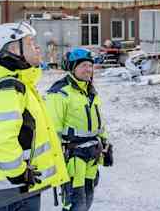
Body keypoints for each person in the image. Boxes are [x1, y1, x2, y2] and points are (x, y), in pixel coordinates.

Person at [0, 22, 69, 210]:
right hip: (14, 190)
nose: (37, 47)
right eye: (31, 42)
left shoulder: (18, 85)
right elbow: (0, 140)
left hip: (15, 189)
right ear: (14, 48)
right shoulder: (9, 89)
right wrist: (19, 172)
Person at [45, 48, 113, 211]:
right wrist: (56, 160)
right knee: (75, 203)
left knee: (88, 197)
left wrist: (106, 144)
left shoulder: (89, 91)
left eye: (90, 65)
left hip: (92, 154)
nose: (88, 69)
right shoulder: (60, 92)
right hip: (73, 156)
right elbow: (53, 129)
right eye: (83, 65)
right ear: (72, 67)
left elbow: (98, 121)